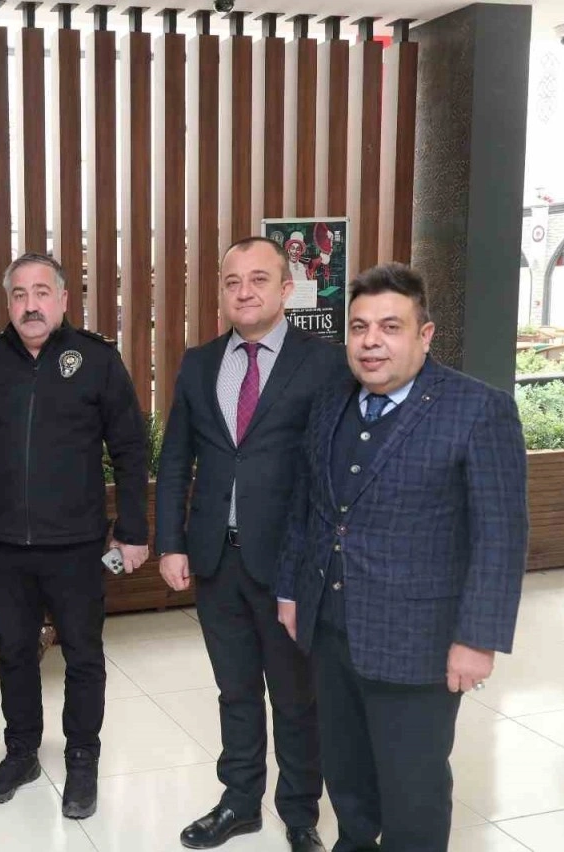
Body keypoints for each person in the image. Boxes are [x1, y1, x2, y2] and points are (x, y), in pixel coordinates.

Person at [276, 263, 529, 852]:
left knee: (412, 789)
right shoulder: (331, 402)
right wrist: (291, 589)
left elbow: (501, 535)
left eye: (390, 327)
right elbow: (307, 507)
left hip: (419, 641)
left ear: (425, 334)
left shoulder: (478, 410)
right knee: (346, 774)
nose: (371, 342)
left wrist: (477, 639)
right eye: (359, 327)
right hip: (331, 629)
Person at [156, 237, 345, 852]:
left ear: (286, 288)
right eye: (232, 280)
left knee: (295, 697)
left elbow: (331, 472)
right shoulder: (199, 363)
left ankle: (299, 812)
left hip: (288, 564)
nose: (244, 291)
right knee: (235, 691)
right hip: (215, 557)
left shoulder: (323, 364)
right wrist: (171, 543)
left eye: (259, 279)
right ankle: (239, 802)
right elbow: (177, 457)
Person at [0, 252, 149, 820]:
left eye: (42, 292)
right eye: (19, 294)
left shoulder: (97, 359)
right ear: (8, 303)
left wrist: (132, 530)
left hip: (77, 544)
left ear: (63, 299)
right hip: (5, 545)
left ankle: (83, 756)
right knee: (14, 653)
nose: (30, 305)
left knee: (83, 655)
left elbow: (131, 449)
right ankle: (21, 753)